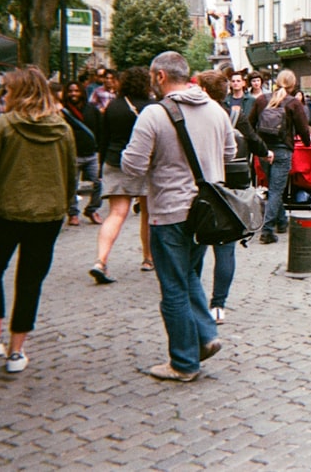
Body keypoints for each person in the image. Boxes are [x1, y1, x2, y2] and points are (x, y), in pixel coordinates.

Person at [121, 51, 236, 382]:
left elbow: (133, 166)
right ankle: (205, 334)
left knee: (173, 285)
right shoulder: (215, 109)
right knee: (188, 276)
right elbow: (230, 153)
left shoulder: (153, 115)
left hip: (169, 211)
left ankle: (183, 362)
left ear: (159, 77)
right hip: (206, 212)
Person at [0, 66, 76, 374]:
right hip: (48, 216)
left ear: (21, 93)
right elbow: (70, 173)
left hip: (7, 211)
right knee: (30, 281)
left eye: (8, 90)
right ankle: (16, 351)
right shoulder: (63, 128)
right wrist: (65, 206)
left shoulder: (3, 126)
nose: (5, 95)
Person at [196, 71, 268, 324]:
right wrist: (265, 152)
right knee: (225, 248)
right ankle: (218, 304)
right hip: (227, 189)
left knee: (195, 244)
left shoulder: (190, 115)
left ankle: (193, 299)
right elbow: (250, 138)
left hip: (199, 186)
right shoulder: (231, 115)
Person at [90, 66, 154, 284]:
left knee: (116, 213)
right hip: (144, 164)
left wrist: (101, 167)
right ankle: (148, 258)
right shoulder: (152, 107)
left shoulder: (113, 106)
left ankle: (101, 260)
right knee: (148, 212)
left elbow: (103, 139)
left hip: (115, 161)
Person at [249, 69, 311, 243]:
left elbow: (249, 124)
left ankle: (282, 221)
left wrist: (258, 145)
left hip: (264, 151)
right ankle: (267, 231)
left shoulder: (262, 99)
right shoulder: (293, 103)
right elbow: (303, 128)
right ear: (293, 85)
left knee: (272, 186)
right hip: (283, 150)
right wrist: (307, 143)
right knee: (277, 190)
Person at [60, 80, 103, 226]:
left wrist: (98, 148)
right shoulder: (63, 112)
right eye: (71, 91)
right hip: (72, 155)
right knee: (71, 185)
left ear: (82, 92)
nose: (73, 94)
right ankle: (73, 213)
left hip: (90, 154)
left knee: (98, 183)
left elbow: (100, 129)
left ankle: (92, 209)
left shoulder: (92, 109)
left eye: (76, 91)